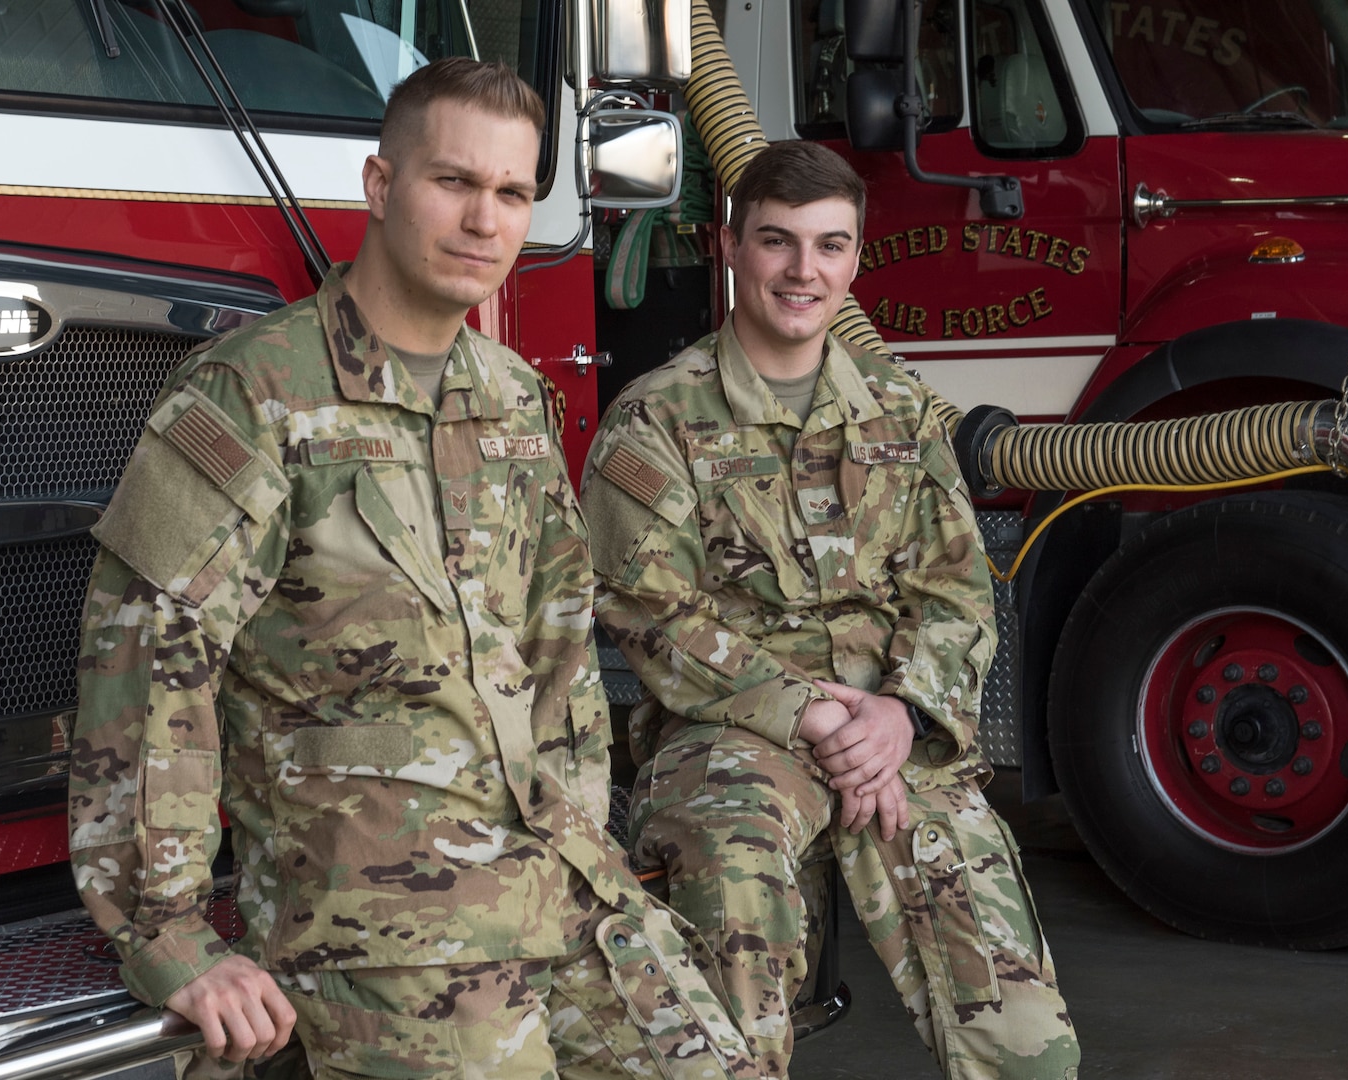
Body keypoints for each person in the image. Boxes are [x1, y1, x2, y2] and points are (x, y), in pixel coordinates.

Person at [69, 58, 758, 1080]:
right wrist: (166, 936)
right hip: (376, 916)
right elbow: (147, 664)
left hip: (552, 880)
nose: (486, 219)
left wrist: (585, 838)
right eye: (454, 183)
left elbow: (558, 646)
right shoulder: (254, 397)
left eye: (513, 193)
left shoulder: (514, 396)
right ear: (382, 187)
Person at [580, 140, 1080, 1080]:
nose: (802, 271)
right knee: (733, 879)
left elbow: (956, 588)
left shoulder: (900, 409)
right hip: (731, 733)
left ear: (855, 255)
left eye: (828, 245)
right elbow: (648, 615)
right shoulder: (657, 420)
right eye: (777, 242)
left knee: (1026, 1041)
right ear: (728, 245)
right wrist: (809, 711)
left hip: (893, 729)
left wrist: (898, 714)